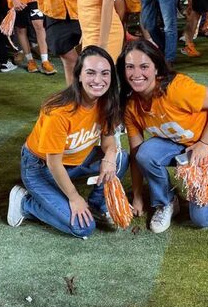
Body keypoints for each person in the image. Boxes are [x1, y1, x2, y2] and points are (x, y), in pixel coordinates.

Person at [118, 39, 208, 233]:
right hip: (178, 144)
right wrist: (138, 195)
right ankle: (167, 202)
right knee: (144, 154)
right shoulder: (131, 105)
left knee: (202, 217)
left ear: (156, 69)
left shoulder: (176, 89)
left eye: (144, 66)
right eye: (130, 67)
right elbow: (135, 153)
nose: (136, 73)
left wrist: (203, 142)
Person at [7, 45, 129, 238]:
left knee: (120, 159)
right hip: (41, 167)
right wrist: (74, 197)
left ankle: (97, 204)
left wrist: (110, 157)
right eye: (90, 73)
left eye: (105, 73)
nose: (98, 80)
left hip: (77, 160)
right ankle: (24, 203)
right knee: (83, 227)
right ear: (78, 75)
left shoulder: (107, 101)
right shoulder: (58, 112)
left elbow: (108, 142)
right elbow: (53, 163)